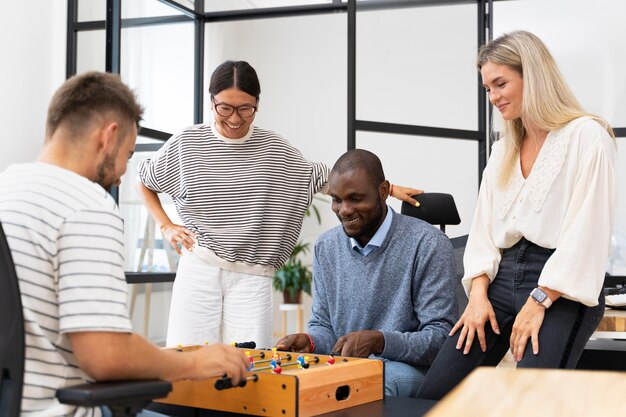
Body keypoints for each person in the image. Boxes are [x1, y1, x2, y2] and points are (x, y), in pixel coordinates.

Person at [0, 71, 249, 417]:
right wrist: (193, 362)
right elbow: (106, 355)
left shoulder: (6, 188)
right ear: (108, 137)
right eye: (128, 155)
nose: (121, 175)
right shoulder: (86, 204)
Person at [136, 60, 422, 348]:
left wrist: (391, 189)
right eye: (225, 107)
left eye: (245, 108)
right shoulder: (187, 143)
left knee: (250, 372)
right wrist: (166, 225)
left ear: (257, 105)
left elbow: (330, 180)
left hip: (252, 277)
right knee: (186, 363)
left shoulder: (275, 150)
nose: (235, 118)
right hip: (199, 268)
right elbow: (144, 180)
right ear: (212, 102)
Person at [417, 31, 616, 400]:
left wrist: (540, 300)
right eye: (487, 89)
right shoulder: (503, 149)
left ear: (534, 76)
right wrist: (477, 297)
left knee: (530, 400)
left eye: (501, 84)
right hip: (498, 280)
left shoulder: (588, 137)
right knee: (433, 396)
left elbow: (586, 235)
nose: (493, 97)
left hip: (560, 287)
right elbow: (483, 231)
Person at [276, 149, 458, 397]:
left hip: (409, 369)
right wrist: (310, 342)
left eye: (355, 198)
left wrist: (380, 341)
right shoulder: (326, 247)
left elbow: (440, 340)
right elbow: (325, 327)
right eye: (337, 200)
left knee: (364, 388)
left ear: (383, 191)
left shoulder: (428, 244)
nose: (344, 210)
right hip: (350, 368)